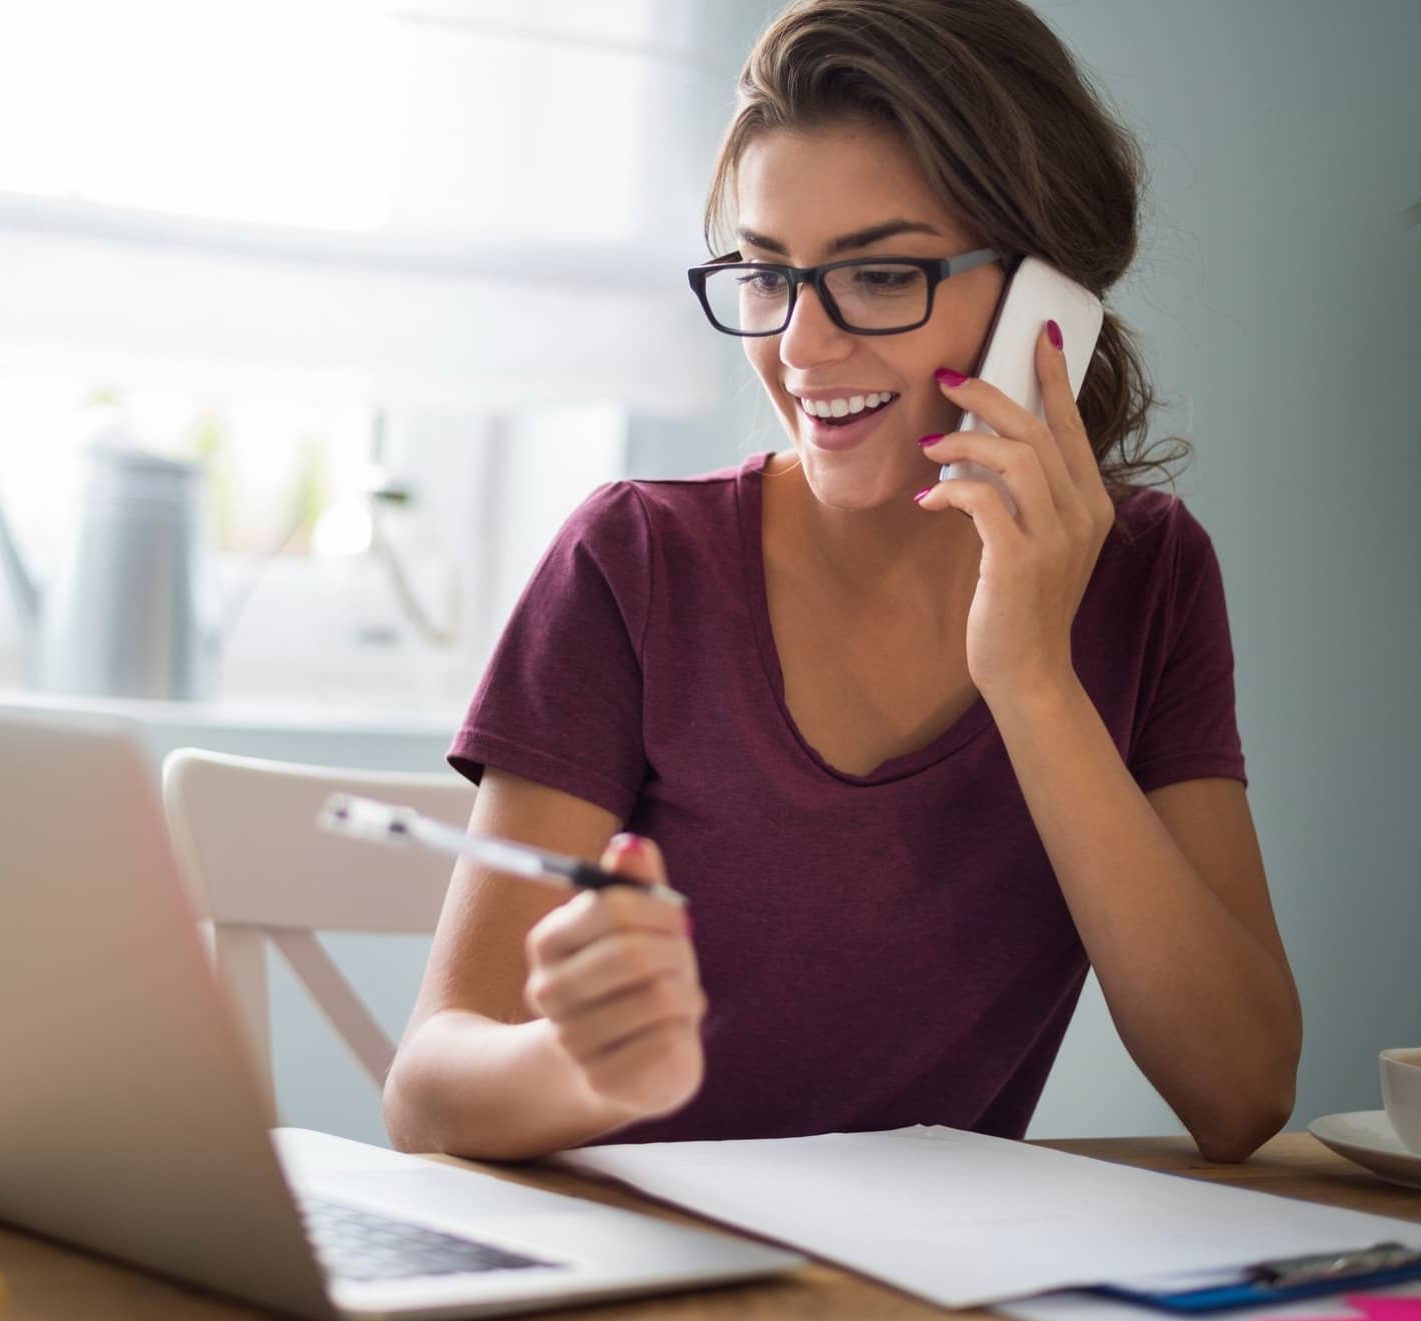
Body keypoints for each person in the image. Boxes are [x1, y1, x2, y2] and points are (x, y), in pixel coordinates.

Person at [382, 0, 1302, 1164]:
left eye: (877, 275)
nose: (803, 350)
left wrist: (1030, 676)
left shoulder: (1148, 578)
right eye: (767, 277)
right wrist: (577, 1064)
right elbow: (426, 1089)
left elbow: (1241, 1089)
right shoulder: (635, 563)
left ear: (1046, 307)